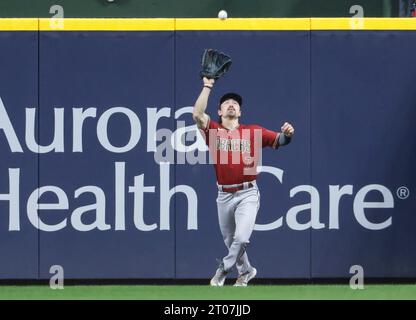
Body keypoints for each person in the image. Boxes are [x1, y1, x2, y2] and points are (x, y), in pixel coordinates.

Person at [192, 77, 295, 287]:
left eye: (236, 104)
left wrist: (287, 134)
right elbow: (196, 114)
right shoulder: (213, 131)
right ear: (220, 112)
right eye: (227, 103)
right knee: (231, 241)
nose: (231, 104)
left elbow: (280, 140)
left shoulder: (253, 132)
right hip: (224, 195)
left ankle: (223, 270)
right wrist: (208, 86)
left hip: (247, 193)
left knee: (241, 237)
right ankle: (246, 271)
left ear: (240, 112)